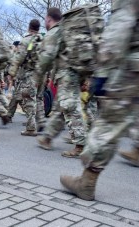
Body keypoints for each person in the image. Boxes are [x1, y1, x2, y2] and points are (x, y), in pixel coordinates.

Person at [60, 0, 139, 201]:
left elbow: (120, 27)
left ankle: (86, 182)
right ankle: (138, 150)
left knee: (109, 124)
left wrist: (101, 73)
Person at [36, 8, 87, 157]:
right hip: (73, 74)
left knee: (70, 108)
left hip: (66, 75)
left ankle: (80, 145)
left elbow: (46, 58)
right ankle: (47, 137)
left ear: (48, 18)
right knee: (60, 108)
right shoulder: (67, 31)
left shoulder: (55, 32)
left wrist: (38, 77)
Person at [7, 19, 46, 137]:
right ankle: (41, 120)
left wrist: (11, 73)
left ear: (29, 28)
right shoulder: (44, 41)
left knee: (29, 100)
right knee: (38, 98)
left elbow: (18, 58)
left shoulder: (27, 40)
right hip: (42, 74)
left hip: (30, 74)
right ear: (39, 28)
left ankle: (30, 128)